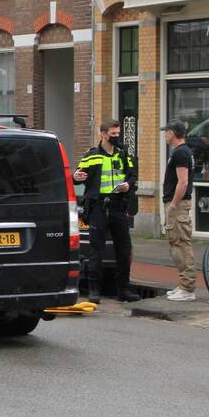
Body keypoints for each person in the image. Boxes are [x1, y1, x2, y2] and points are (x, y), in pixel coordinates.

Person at [74, 119, 141, 303]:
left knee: (124, 249)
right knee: (96, 250)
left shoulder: (123, 154)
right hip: (98, 208)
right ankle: (94, 290)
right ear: (103, 134)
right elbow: (77, 176)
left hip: (118, 206)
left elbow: (132, 175)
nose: (116, 137)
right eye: (113, 134)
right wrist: (75, 176)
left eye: (118, 134)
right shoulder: (92, 155)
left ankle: (124, 290)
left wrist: (128, 185)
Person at [162, 119, 195, 302]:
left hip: (178, 205)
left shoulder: (180, 153)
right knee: (176, 243)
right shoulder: (183, 151)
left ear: (172, 133)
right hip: (177, 204)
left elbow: (183, 182)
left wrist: (173, 205)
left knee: (181, 244)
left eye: (166, 132)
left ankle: (187, 288)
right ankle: (183, 284)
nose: (165, 135)